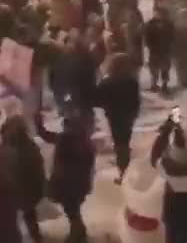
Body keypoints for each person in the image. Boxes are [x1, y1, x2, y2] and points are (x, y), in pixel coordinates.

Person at [37, 107, 96, 243]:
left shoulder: (65, 140)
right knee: (74, 211)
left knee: (72, 212)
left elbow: (46, 135)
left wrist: (37, 121)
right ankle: (80, 232)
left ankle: (77, 235)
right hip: (80, 185)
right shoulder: (86, 142)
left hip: (66, 186)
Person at [95, 53, 141, 184]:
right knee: (124, 142)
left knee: (120, 144)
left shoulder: (107, 82)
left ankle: (124, 172)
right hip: (128, 115)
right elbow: (136, 100)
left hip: (114, 116)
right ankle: (125, 168)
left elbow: (96, 99)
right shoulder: (132, 81)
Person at [1, 115, 46, 243]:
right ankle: (36, 237)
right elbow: (39, 168)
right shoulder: (30, 146)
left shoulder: (8, 149)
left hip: (13, 192)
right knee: (28, 215)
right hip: (28, 190)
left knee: (11, 222)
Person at [145, 6, 175, 94]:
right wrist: (150, 47)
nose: (157, 15)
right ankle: (154, 85)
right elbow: (147, 38)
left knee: (165, 69)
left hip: (165, 50)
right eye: (156, 13)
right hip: (154, 51)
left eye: (159, 13)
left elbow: (172, 36)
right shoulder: (150, 24)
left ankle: (164, 85)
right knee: (154, 69)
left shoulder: (169, 24)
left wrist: (170, 46)